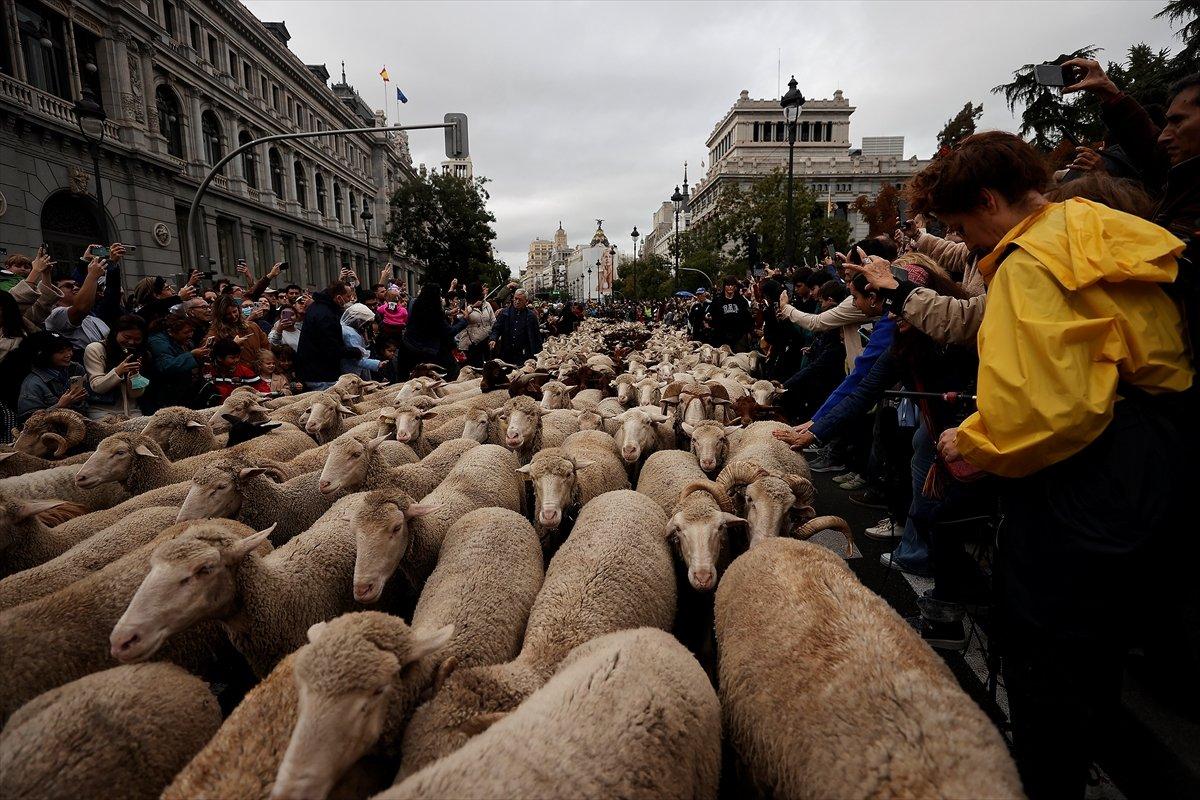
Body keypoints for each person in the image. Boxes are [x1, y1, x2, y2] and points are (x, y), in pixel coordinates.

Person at [906, 131, 1192, 800]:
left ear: (988, 200)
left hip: (1084, 477)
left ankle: (1048, 777)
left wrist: (967, 443)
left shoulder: (1030, 262)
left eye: (962, 227)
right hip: (1154, 448)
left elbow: (1045, 407)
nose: (968, 244)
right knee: (1100, 640)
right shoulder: (1095, 227)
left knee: (1048, 648)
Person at [83, 314, 149, 419]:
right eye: (127, 337)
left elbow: (135, 394)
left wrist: (134, 375)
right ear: (115, 332)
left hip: (132, 410)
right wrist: (118, 371)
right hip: (102, 410)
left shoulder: (141, 353)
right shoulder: (96, 349)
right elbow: (97, 386)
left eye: (137, 339)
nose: (131, 342)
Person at [44, 253, 110, 353]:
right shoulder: (54, 315)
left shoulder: (95, 319)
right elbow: (81, 308)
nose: (75, 288)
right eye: (68, 286)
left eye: (76, 285)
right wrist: (92, 276)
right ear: (56, 292)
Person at [17, 333, 89, 424]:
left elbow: (86, 407)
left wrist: (78, 401)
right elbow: (29, 423)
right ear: (46, 355)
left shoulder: (75, 369)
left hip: (78, 424)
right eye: (61, 352)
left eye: (69, 349)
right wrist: (59, 406)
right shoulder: (32, 384)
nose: (68, 354)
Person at [296, 281, 355, 389]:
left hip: (314, 371)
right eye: (347, 296)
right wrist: (355, 352)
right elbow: (330, 347)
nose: (349, 299)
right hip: (321, 374)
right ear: (338, 297)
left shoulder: (318, 307)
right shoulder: (326, 315)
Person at [145, 314, 210, 411]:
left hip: (185, 391)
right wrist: (192, 355)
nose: (190, 335)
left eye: (192, 331)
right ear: (171, 332)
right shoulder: (158, 342)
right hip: (166, 394)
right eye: (186, 332)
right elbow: (166, 365)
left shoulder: (186, 342)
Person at [401, 283, 465, 376]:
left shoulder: (414, 304)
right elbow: (449, 332)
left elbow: (430, 309)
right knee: (450, 372)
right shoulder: (435, 315)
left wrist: (448, 312)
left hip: (409, 347)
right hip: (429, 351)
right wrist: (464, 321)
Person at [203, 337, 271, 400]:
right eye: (232, 358)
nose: (236, 360)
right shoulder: (209, 371)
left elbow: (262, 388)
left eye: (238, 357)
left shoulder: (244, 371)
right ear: (219, 358)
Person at [489, 288, 542, 363]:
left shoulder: (531, 316)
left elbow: (536, 336)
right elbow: (496, 328)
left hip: (524, 354)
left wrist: (538, 355)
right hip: (506, 353)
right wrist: (493, 339)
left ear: (526, 302)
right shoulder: (505, 313)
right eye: (515, 299)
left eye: (520, 300)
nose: (517, 302)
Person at [455, 280, 496, 366]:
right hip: (471, 344)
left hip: (485, 341)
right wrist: (472, 307)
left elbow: (493, 320)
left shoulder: (487, 304)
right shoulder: (464, 304)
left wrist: (492, 336)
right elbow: (461, 319)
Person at [709, 277, 753, 350]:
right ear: (724, 286)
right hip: (721, 338)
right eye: (728, 285)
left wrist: (748, 331)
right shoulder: (717, 301)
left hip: (739, 337)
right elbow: (712, 317)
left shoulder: (741, 301)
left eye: (732, 285)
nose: (730, 287)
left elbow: (748, 317)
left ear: (735, 287)